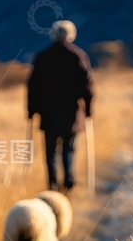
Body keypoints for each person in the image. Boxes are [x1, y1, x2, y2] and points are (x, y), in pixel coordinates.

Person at [27, 20, 95, 191]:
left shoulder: (43, 57)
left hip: (48, 114)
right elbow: (87, 86)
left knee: (50, 152)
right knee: (68, 149)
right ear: (71, 35)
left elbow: (33, 87)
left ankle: (52, 185)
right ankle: (68, 183)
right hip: (72, 114)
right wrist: (88, 110)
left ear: (53, 34)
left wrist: (31, 110)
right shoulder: (79, 56)